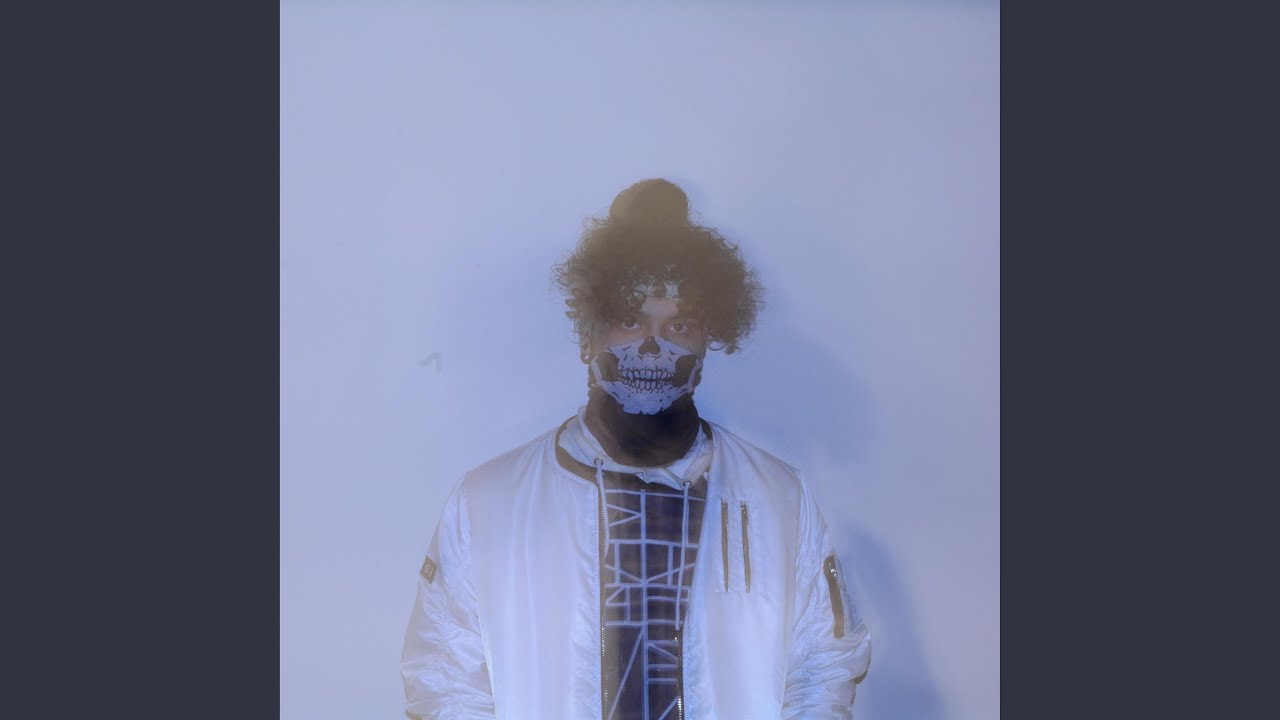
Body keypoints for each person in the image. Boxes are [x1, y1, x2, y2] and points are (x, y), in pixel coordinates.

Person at [401, 179, 871, 719]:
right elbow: (444, 680)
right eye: (629, 320)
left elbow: (824, 668)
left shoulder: (778, 497)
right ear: (588, 336)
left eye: (680, 325)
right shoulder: (489, 502)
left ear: (705, 342)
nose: (653, 346)